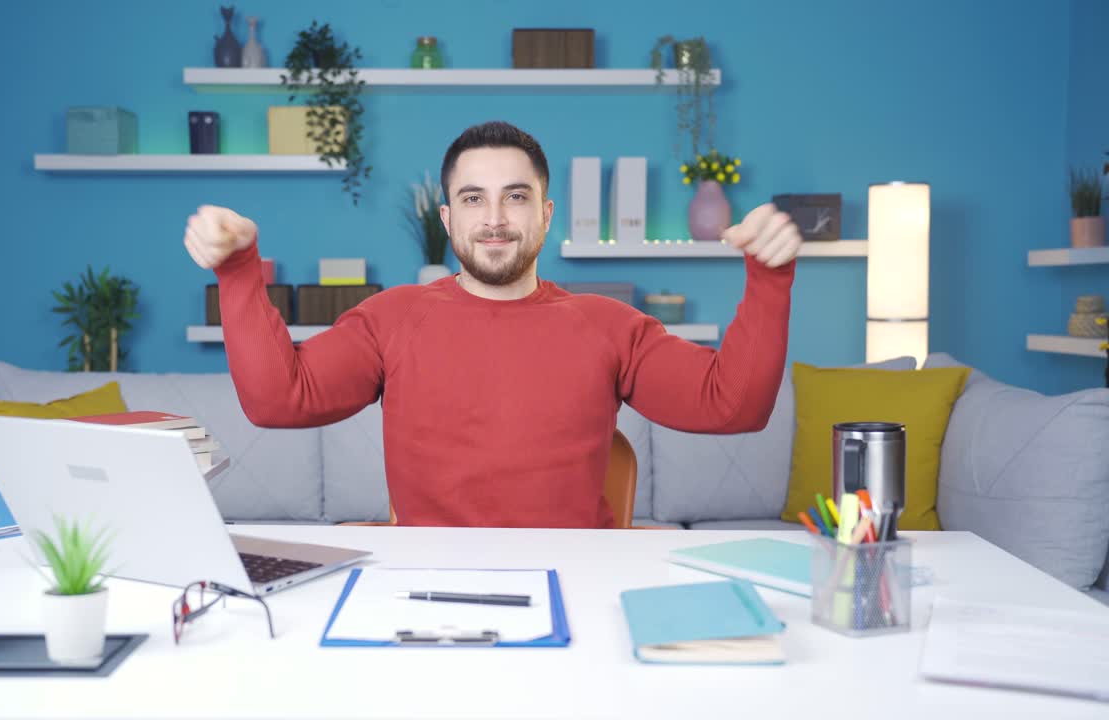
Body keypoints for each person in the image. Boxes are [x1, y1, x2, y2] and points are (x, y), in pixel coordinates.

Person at [183, 121, 801, 528]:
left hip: (581, 584)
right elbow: (276, 400)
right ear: (449, 220)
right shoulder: (392, 319)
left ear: (546, 213)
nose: (496, 218)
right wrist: (239, 270)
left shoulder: (608, 325)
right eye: (474, 199)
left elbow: (733, 406)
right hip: (425, 591)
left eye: (517, 196)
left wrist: (770, 278)